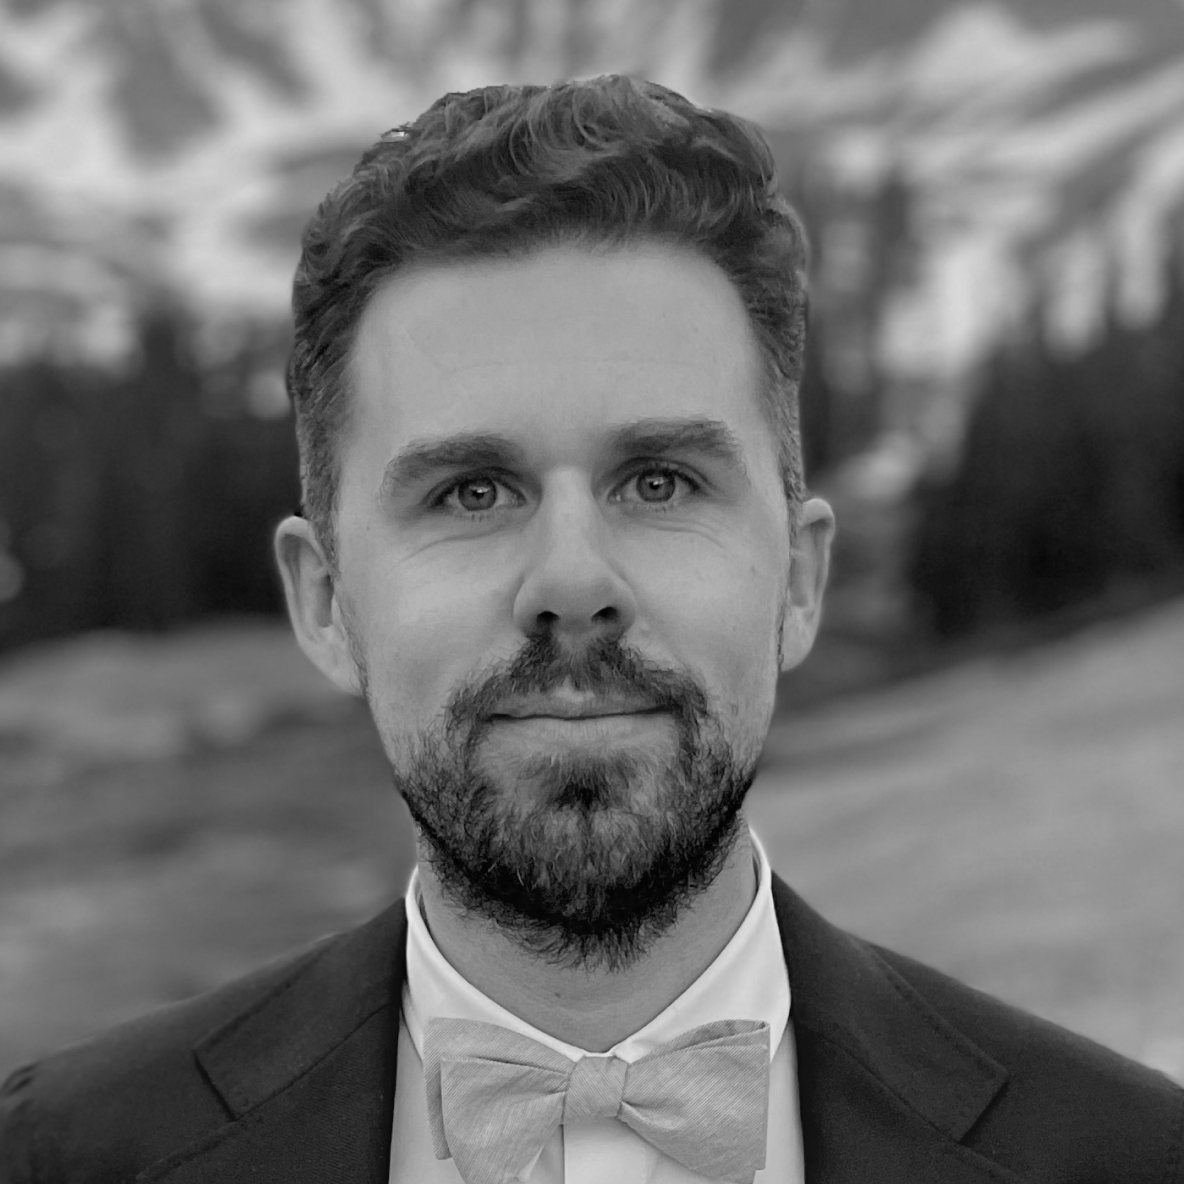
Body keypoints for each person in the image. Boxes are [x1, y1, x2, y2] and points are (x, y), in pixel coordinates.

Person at [1, 75, 1180, 1184]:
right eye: (471, 490)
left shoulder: (1127, 1156)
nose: (571, 583)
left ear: (797, 579)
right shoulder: (59, 1155)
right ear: (325, 600)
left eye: (659, 481)